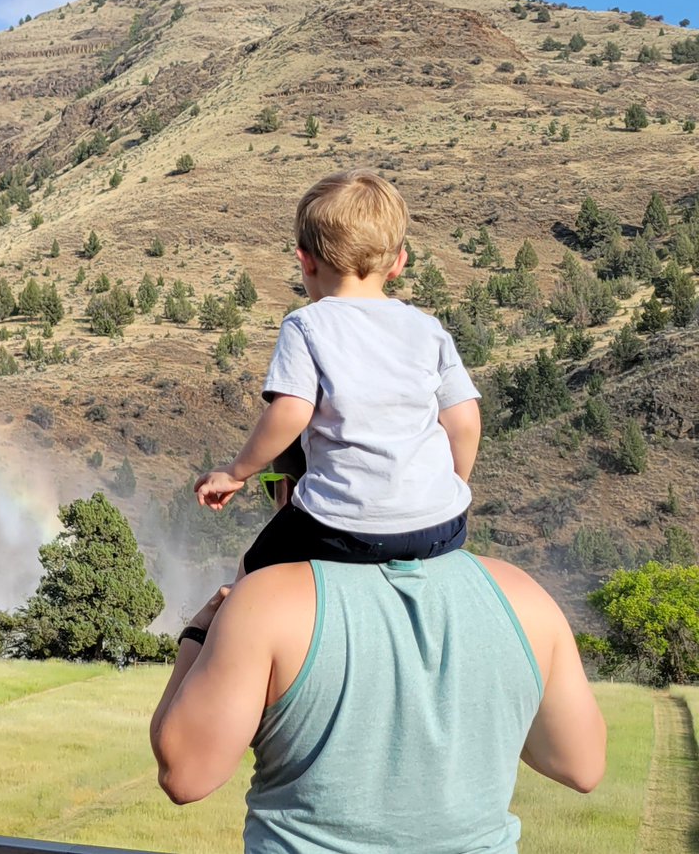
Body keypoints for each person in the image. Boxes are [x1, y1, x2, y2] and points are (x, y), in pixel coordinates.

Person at [150, 553, 607, 853]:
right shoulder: (522, 594)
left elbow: (184, 774)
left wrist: (198, 633)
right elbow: (581, 765)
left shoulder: (267, 601)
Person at [195, 170, 481, 575]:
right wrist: (452, 488)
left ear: (304, 260)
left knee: (252, 573)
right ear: (399, 262)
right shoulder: (428, 328)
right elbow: (465, 419)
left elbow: (291, 412)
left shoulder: (306, 325)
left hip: (342, 528)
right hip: (441, 527)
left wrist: (235, 473)